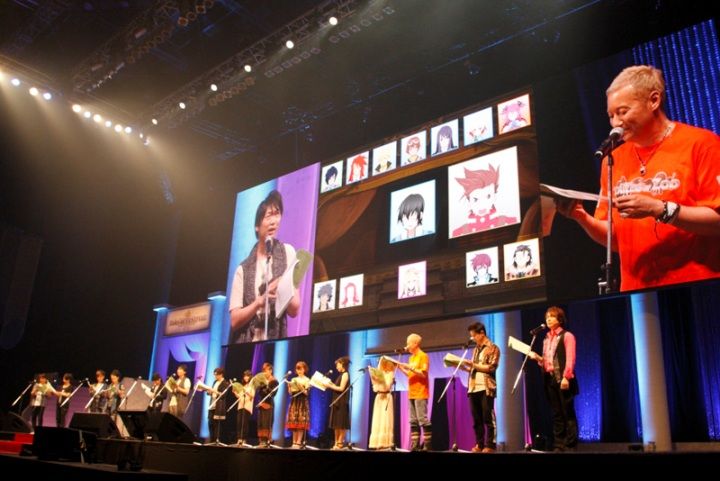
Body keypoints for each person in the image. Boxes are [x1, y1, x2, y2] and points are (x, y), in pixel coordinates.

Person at [556, 65, 720, 291]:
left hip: (698, 285)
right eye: (611, 115)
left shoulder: (702, 144)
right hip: (638, 291)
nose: (616, 123)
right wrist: (581, 217)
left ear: (653, 101)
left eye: (622, 112)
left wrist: (659, 209)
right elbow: (616, 240)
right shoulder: (612, 159)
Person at [228, 190, 301, 343]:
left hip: (275, 343)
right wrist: (259, 302)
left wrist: (282, 286)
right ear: (257, 226)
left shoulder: (288, 252)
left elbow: (294, 309)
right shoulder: (243, 269)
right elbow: (234, 321)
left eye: (277, 214)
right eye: (268, 216)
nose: (274, 221)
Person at [528, 306, 578, 452]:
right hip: (549, 378)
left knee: (567, 412)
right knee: (556, 413)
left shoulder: (567, 336)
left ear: (560, 319)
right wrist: (538, 358)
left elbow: (570, 358)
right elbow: (547, 360)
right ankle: (559, 444)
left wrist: (566, 377)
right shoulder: (546, 338)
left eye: (552, 316)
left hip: (563, 378)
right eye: (547, 317)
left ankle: (570, 445)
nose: (548, 319)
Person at [460, 322, 500, 453]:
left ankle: (491, 444)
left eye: (474, 335)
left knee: (488, 417)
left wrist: (473, 365)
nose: (473, 338)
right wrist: (463, 367)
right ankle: (480, 443)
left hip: (486, 386)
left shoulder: (493, 348)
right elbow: (475, 369)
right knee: (476, 419)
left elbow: (491, 367)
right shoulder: (476, 349)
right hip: (473, 387)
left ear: (482, 333)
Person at [452, 164, 517, 237]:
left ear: (494, 196)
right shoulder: (458, 233)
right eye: (475, 199)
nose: (482, 204)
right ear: (469, 200)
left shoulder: (509, 221)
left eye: (488, 196)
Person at [398, 333, 431, 451]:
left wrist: (410, 367)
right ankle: (415, 445)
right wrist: (401, 368)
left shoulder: (423, 356)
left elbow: (423, 374)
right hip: (411, 392)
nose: (407, 346)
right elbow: (410, 374)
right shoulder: (411, 358)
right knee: (413, 420)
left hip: (420, 392)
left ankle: (427, 444)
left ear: (415, 343)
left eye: (408, 343)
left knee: (422, 419)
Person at [368, 357, 395, 450]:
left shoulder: (390, 373)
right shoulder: (380, 373)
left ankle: (385, 443)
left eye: (382, 362)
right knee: (377, 419)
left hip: (386, 397)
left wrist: (380, 380)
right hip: (379, 397)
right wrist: (373, 377)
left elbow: (387, 387)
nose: (381, 364)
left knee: (385, 419)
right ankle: (377, 443)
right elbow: (375, 387)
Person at [326, 356, 350, 450]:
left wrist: (330, 386)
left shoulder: (345, 374)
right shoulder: (340, 375)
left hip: (342, 401)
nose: (336, 367)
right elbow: (337, 386)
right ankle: (336, 442)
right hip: (336, 401)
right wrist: (330, 384)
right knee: (336, 423)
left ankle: (340, 442)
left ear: (342, 364)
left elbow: (341, 388)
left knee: (341, 423)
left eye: (337, 365)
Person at [286, 361, 311, 448]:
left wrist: (301, 387)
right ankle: (294, 442)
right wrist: (289, 387)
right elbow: (290, 393)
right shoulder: (294, 379)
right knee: (294, 421)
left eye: (301, 369)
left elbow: (307, 393)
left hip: (302, 402)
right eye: (298, 369)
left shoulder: (307, 379)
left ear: (304, 369)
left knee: (300, 422)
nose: (299, 371)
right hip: (294, 401)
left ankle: (299, 442)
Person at [256, 362, 279, 448]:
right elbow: (259, 392)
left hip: (269, 403)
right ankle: (261, 441)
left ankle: (267, 441)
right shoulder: (262, 381)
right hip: (262, 403)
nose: (265, 373)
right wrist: (262, 386)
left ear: (270, 370)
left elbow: (273, 394)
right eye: (264, 371)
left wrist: (266, 387)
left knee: (267, 423)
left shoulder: (274, 381)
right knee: (261, 423)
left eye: (266, 370)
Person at [205, 367, 230, 443]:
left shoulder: (225, 383)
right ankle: (211, 440)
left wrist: (214, 391)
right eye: (214, 374)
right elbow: (212, 393)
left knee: (217, 425)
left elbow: (223, 395)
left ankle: (216, 441)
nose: (215, 376)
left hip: (218, 406)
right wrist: (209, 392)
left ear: (221, 374)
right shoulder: (215, 382)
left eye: (216, 375)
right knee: (210, 423)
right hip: (212, 405)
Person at [234, 370, 255, 446]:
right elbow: (239, 397)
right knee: (239, 423)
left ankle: (244, 439)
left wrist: (246, 392)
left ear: (250, 377)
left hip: (247, 406)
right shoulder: (243, 385)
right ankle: (239, 438)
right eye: (245, 376)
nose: (246, 377)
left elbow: (252, 396)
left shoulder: (252, 386)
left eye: (247, 376)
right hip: (240, 405)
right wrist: (235, 392)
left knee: (244, 423)